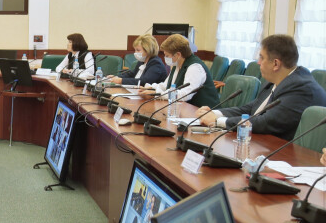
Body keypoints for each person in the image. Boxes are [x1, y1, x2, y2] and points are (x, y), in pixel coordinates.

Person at [195, 35, 326, 140]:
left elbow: (267, 122)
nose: (258, 62)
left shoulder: (301, 88)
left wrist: (219, 121)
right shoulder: (277, 81)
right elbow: (251, 109)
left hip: (290, 155)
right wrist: (215, 113)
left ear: (276, 64)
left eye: (261, 58)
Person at [138, 34, 219, 107]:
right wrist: (150, 88)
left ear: (177, 55)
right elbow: (166, 86)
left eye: (167, 55)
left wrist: (157, 95)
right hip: (185, 109)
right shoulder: (177, 64)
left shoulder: (195, 67)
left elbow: (185, 94)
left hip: (205, 112)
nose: (165, 58)